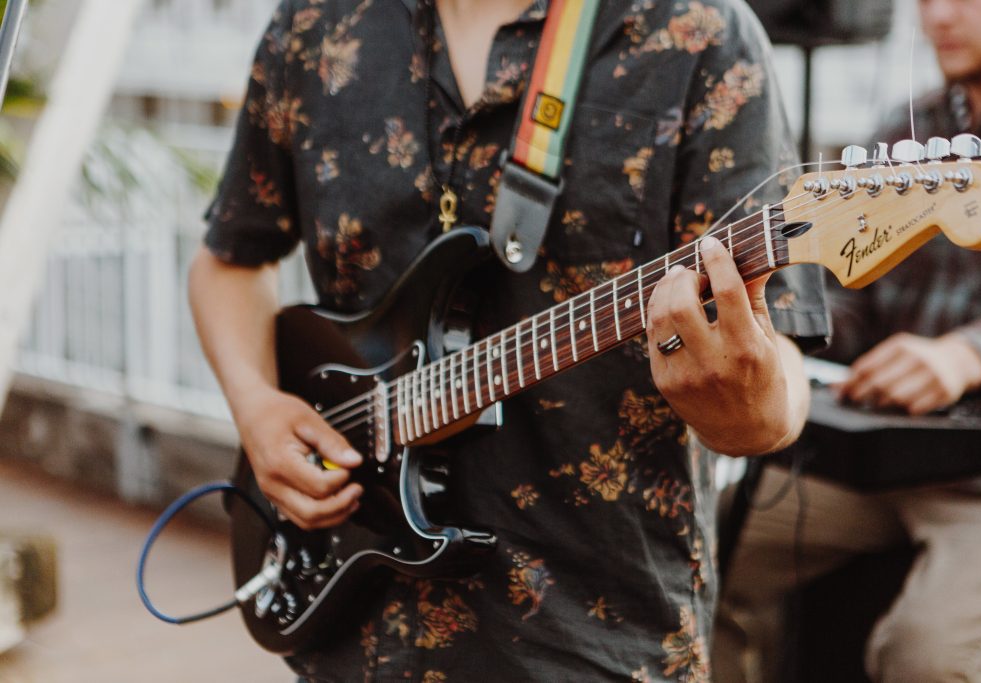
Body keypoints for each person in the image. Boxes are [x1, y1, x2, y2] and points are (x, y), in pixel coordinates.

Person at [189, 0, 829, 680]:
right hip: (357, 631)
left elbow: (778, 375)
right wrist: (255, 405)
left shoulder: (695, 29)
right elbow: (228, 260)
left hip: (595, 637)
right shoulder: (315, 23)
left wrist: (750, 407)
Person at [714, 0, 981, 680]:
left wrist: (972, 352)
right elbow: (851, 297)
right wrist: (781, 324)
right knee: (708, 557)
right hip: (882, 459)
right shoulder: (903, 129)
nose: (940, 16)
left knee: (924, 654)